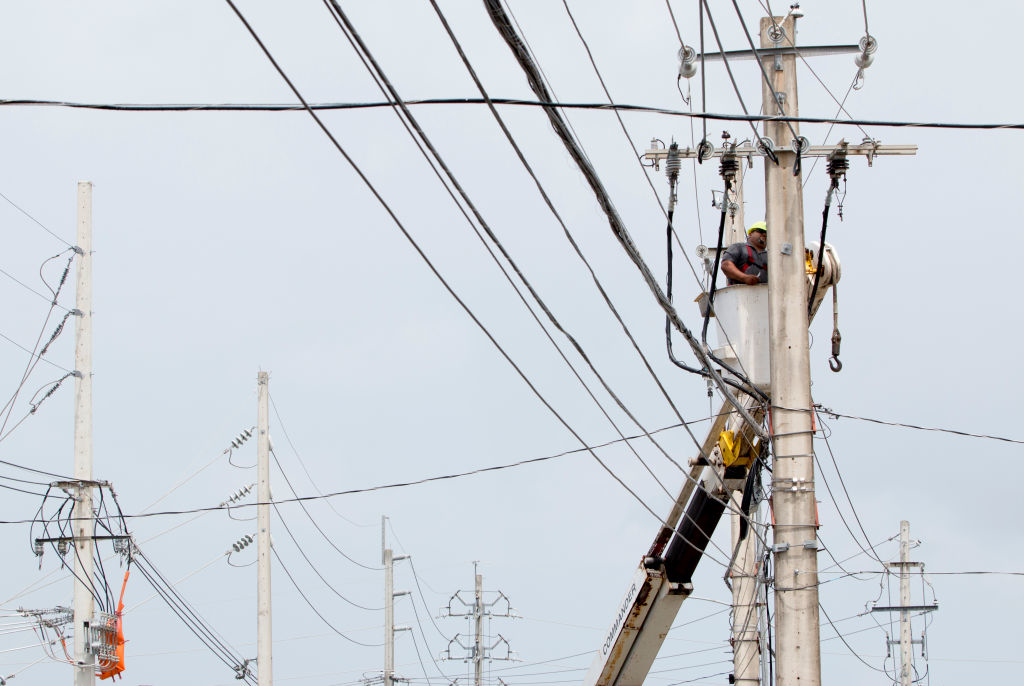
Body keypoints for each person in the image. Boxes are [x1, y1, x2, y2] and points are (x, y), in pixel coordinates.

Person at [721, 221, 767, 285]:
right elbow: (726, 265)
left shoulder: (771, 256)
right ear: (750, 234)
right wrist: (744, 278)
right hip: (740, 292)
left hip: (765, 293)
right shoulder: (738, 247)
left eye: (767, 233)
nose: (764, 234)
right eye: (760, 231)